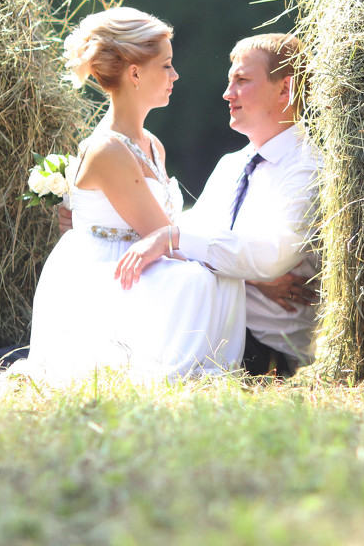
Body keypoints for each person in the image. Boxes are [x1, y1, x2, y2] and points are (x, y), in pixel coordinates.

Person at [6, 7, 247, 383]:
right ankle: (177, 371)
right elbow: (165, 235)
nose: (175, 75)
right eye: (166, 65)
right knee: (198, 279)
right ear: (135, 72)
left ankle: (206, 365)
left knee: (220, 273)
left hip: (143, 262)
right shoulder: (109, 150)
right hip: (108, 275)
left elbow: (168, 233)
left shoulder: (152, 144)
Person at [115, 33, 320, 376]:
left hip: (260, 347)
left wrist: (172, 237)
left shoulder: (308, 168)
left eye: (242, 81)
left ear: (286, 89)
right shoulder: (232, 164)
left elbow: (271, 255)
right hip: (208, 319)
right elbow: (197, 235)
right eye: (230, 82)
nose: (228, 94)